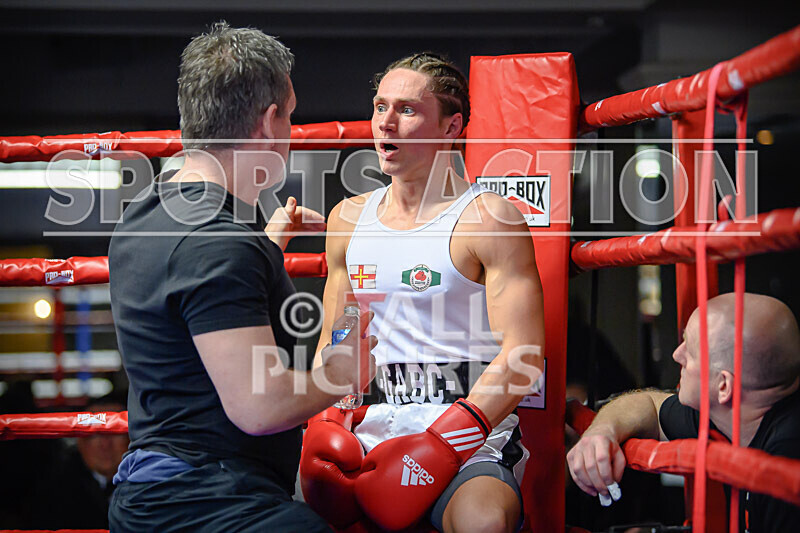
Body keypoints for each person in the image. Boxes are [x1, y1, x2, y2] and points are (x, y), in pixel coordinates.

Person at [108, 22, 376, 532]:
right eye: (291, 116)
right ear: (269, 121)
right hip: (205, 501)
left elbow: (198, 303)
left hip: (158, 493)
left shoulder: (145, 212)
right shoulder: (221, 242)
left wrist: (267, 249)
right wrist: (342, 373)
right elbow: (260, 407)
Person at [302, 53, 545, 532]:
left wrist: (447, 440)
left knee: (484, 522)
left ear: (452, 127)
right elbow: (339, 333)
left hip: (469, 436)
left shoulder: (488, 218)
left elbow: (525, 353)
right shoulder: (348, 220)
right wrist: (326, 419)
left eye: (407, 110)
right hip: (370, 431)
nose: (385, 123)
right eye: (379, 106)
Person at [567, 292, 800, 533]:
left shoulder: (786, 464)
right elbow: (651, 404)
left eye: (690, 349)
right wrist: (603, 431)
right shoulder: (734, 412)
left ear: (723, 386)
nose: (676, 354)